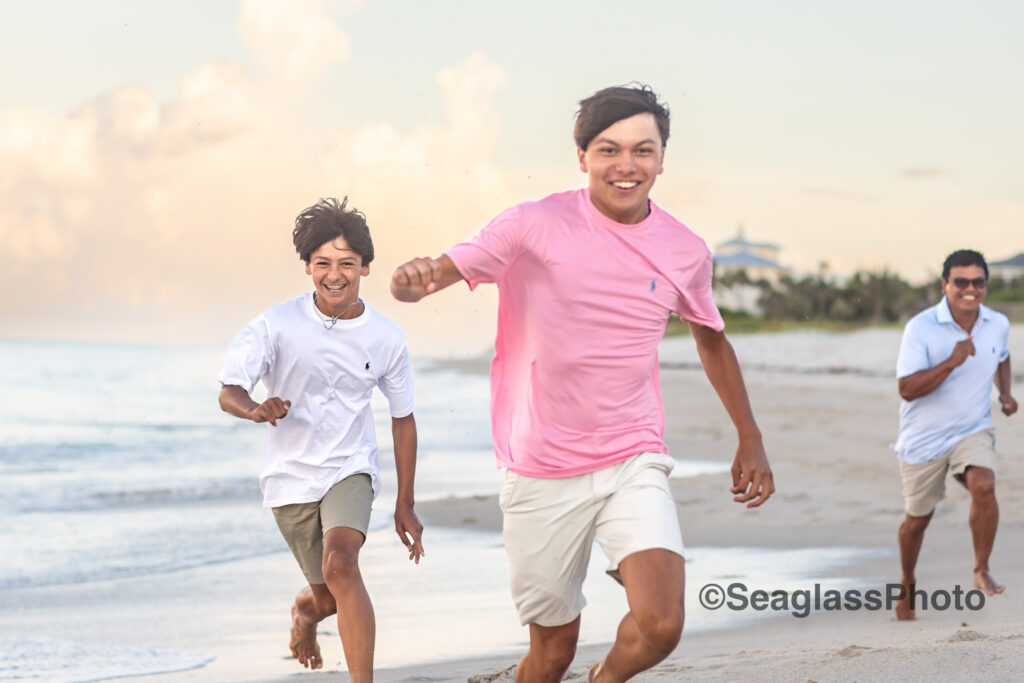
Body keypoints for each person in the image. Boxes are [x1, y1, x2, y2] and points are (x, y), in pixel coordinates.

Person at [390, 84, 774, 683]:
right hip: (540, 467)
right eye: (608, 149)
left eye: (643, 150)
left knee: (660, 625)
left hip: (632, 455)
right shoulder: (531, 224)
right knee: (552, 651)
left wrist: (749, 436)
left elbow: (710, 338)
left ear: (663, 157)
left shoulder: (686, 251)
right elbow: (441, 271)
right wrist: (415, 279)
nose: (627, 166)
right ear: (582, 156)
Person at [218, 197, 424, 680]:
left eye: (347, 264)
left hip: (349, 468)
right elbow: (230, 389)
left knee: (341, 563)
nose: (335, 275)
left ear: (365, 268)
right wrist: (254, 409)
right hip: (288, 477)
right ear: (308, 267)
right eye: (323, 264)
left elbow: (403, 418)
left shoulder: (387, 337)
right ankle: (307, 613)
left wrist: (405, 502)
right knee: (329, 595)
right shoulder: (276, 325)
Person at [892, 249, 1017, 620]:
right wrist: (951, 361)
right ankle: (908, 579)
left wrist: (1005, 392)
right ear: (944, 284)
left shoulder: (997, 323)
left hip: (972, 428)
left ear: (985, 286)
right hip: (924, 439)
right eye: (960, 281)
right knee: (918, 520)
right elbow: (907, 389)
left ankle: (980, 568)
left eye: (978, 282)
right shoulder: (921, 327)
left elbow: (1002, 355)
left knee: (984, 486)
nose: (970, 289)